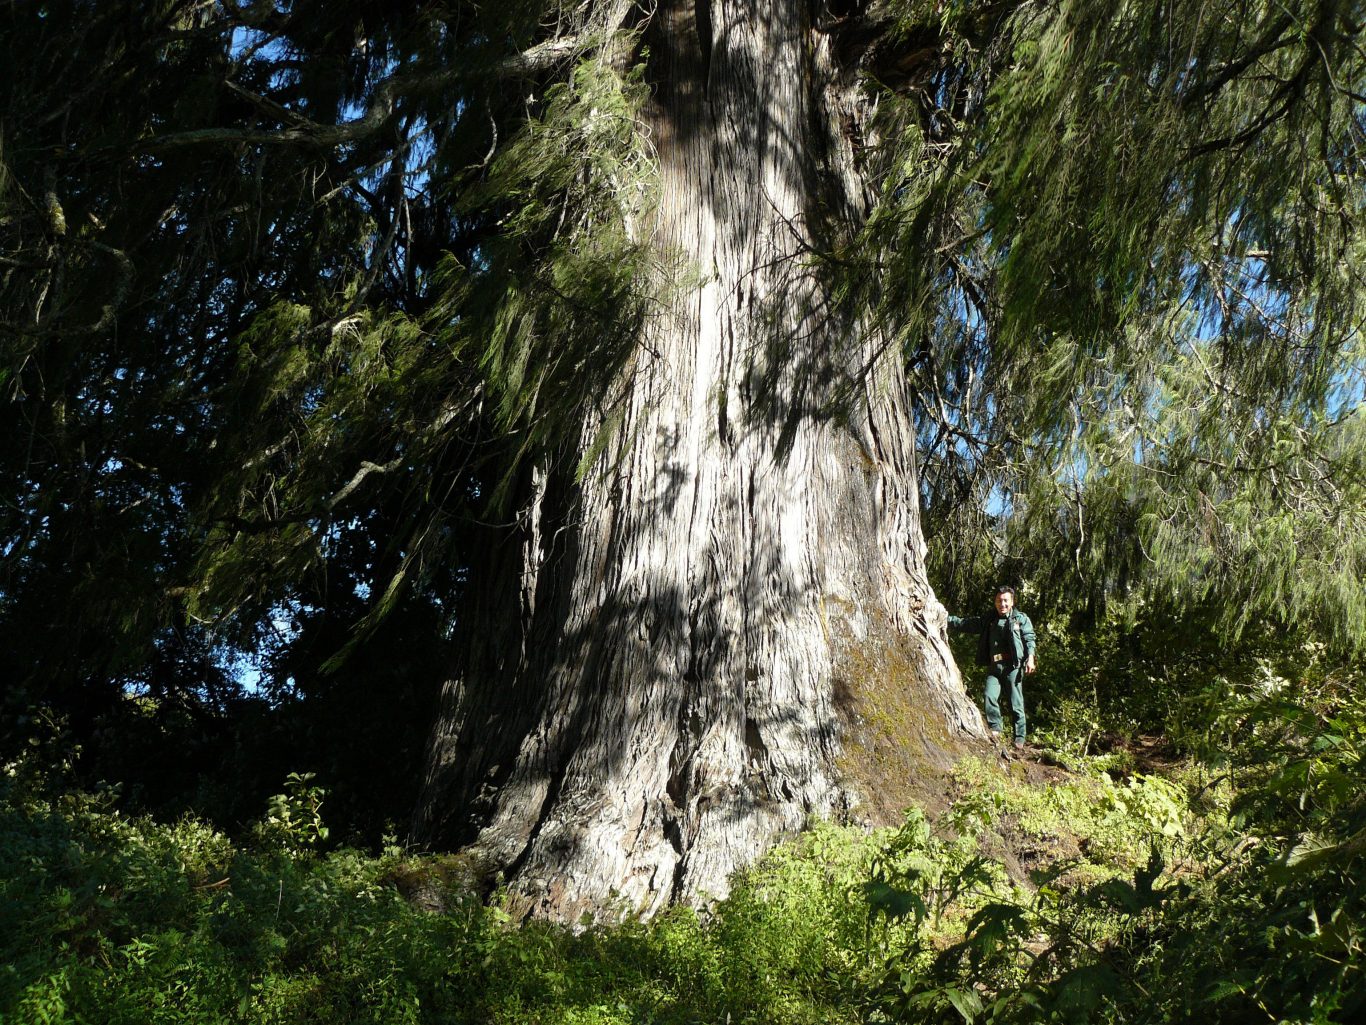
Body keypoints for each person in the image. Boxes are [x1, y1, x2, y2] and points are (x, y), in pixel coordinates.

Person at [948, 586, 1037, 751]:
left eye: (1005, 601)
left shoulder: (1020, 619)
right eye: (999, 600)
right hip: (994, 666)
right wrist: (946, 618)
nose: (1002, 604)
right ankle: (996, 729)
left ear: (1012, 602)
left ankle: (1019, 738)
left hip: (1013, 667)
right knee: (989, 695)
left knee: (1015, 702)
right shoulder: (989, 619)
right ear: (995, 602)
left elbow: (1029, 638)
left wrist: (1030, 659)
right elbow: (969, 624)